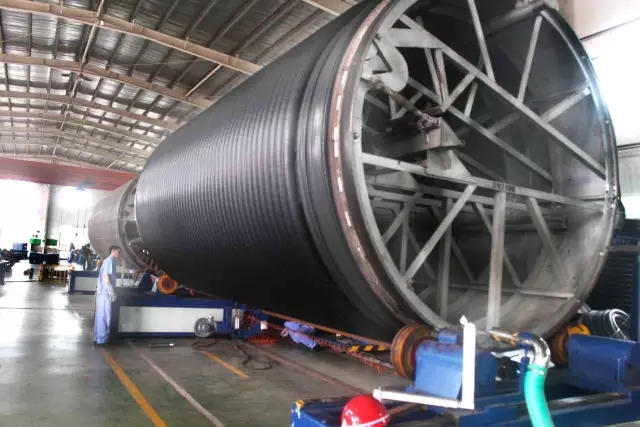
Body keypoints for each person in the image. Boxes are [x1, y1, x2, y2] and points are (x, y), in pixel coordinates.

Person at [94, 245, 120, 345]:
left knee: (101, 315)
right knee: (104, 316)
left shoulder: (109, 261)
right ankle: (102, 338)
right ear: (113, 252)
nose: (119, 254)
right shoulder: (110, 261)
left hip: (102, 292)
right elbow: (106, 276)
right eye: (118, 252)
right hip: (105, 292)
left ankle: (98, 337)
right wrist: (110, 290)